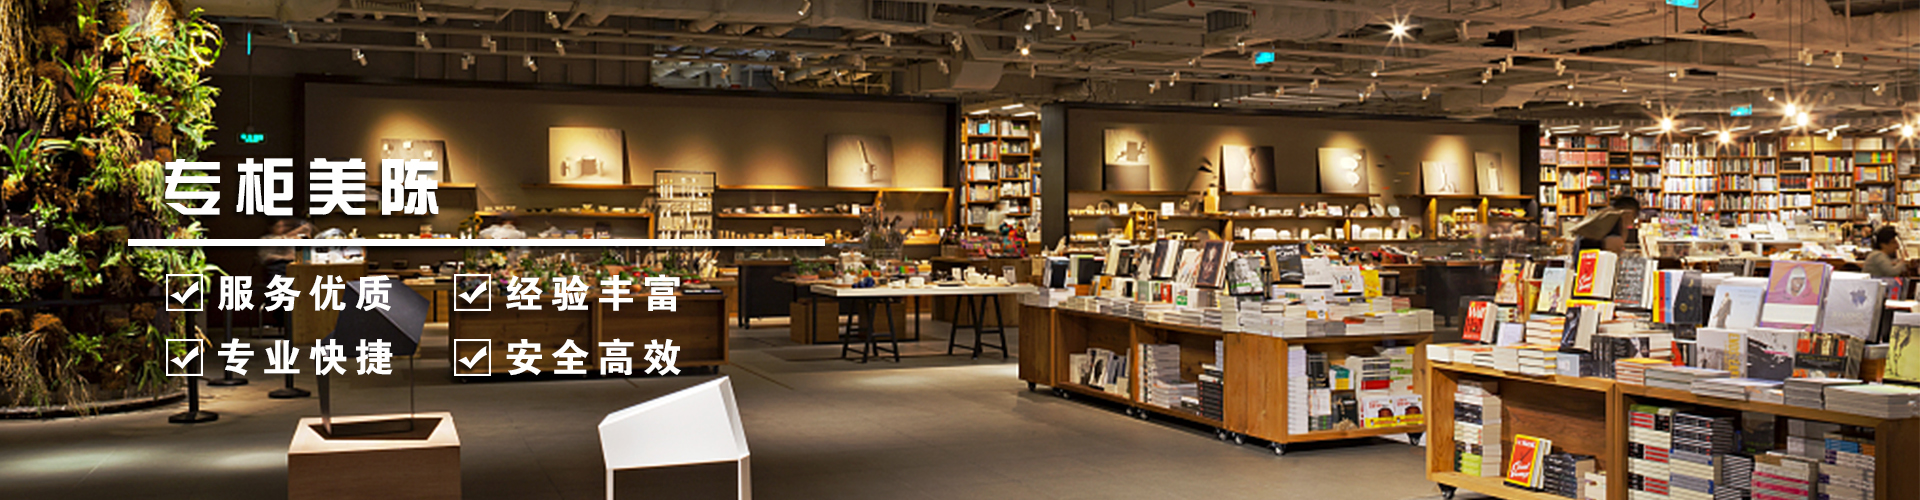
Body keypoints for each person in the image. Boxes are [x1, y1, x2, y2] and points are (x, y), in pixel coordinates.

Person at [1568, 194, 1640, 253]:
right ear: (1629, 214)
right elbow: (1614, 250)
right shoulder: (1614, 221)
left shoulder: (1602, 216)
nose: (1631, 224)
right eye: (1633, 218)